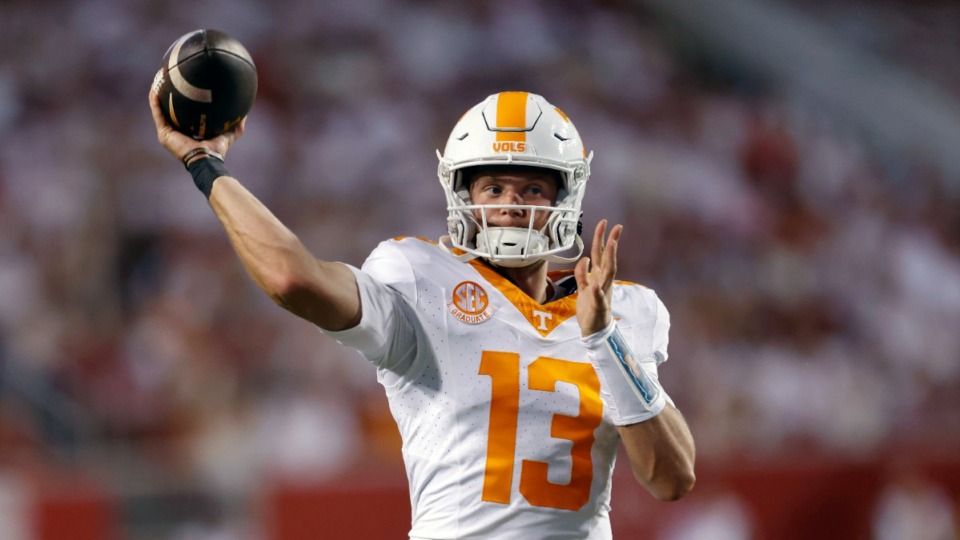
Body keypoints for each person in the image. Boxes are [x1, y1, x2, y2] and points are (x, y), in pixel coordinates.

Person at [149, 89, 695, 539]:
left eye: (532, 187)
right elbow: (293, 277)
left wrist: (603, 339)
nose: (510, 203)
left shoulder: (622, 308)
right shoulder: (420, 277)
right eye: (493, 186)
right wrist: (205, 164)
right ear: (464, 196)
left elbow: (671, 478)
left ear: (565, 200)